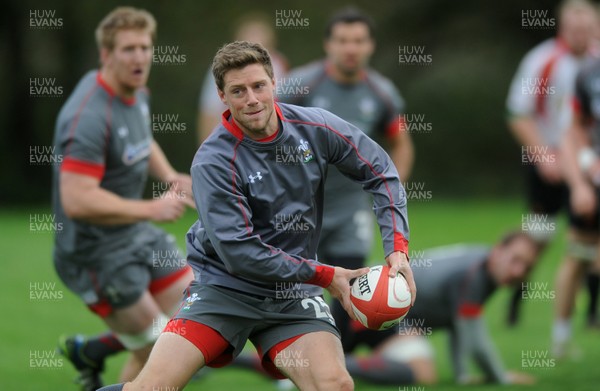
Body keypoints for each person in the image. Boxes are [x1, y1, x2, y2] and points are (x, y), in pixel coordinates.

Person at [97, 40, 414, 391]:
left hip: (292, 293)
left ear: (274, 83)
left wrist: (397, 247)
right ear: (222, 96)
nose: (251, 99)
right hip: (224, 289)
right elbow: (241, 252)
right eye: (238, 90)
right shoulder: (213, 161)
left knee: (335, 385)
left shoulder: (315, 129)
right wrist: (326, 275)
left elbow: (381, 170)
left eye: (258, 86)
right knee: (152, 388)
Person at [51, 7, 194, 390]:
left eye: (145, 47)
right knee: (162, 350)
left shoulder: (135, 91)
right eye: (129, 49)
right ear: (106, 55)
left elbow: (141, 140)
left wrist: (170, 177)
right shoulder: (89, 117)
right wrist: (153, 208)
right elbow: (77, 201)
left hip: (133, 234)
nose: (140, 57)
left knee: (196, 316)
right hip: (95, 255)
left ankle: (91, 352)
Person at [232, 232, 539, 386]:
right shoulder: (476, 276)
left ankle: (309, 369)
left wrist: (461, 376)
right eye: (514, 259)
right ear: (499, 250)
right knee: (316, 366)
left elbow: (460, 325)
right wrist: (501, 378)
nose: (517, 270)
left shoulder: (482, 263)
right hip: (367, 310)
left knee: (423, 371)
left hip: (389, 318)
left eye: (525, 267)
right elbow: (475, 336)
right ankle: (289, 370)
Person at [279, 7, 414, 327]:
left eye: (358, 41)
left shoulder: (382, 93)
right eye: (342, 40)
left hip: (351, 208)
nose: (350, 48)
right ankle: (288, 361)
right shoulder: (300, 84)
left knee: (354, 289)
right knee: (292, 289)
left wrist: (392, 189)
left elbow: (401, 143)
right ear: (328, 44)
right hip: (298, 207)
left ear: (370, 46)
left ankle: (335, 361)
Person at [505, 0, 598, 329]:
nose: (582, 36)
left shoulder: (597, 61)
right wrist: (545, 155)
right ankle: (514, 303)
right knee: (539, 236)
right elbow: (518, 114)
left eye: (588, 29)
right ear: (562, 28)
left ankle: (589, 315)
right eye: (576, 30)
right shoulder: (543, 61)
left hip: (588, 164)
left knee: (588, 238)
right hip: (548, 163)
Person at [559, 53, 600, 358]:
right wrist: (579, 184)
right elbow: (572, 132)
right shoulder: (588, 73)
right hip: (593, 180)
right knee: (577, 256)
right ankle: (559, 340)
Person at [197, 13, 288, 144]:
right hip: (233, 140)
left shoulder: (280, 64)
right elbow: (209, 112)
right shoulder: (221, 68)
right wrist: (207, 148)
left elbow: (287, 106)